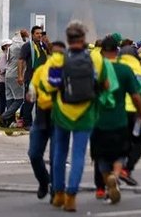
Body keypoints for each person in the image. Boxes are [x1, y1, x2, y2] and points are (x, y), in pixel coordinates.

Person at [41, 21, 109, 212]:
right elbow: (105, 84)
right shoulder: (96, 58)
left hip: (62, 112)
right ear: (83, 39)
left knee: (60, 153)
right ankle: (71, 197)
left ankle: (58, 193)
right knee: (78, 155)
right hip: (86, 112)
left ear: (68, 39)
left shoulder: (57, 59)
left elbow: (50, 86)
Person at [92, 37, 141, 205]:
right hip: (120, 121)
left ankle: (106, 181)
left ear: (101, 52)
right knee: (120, 154)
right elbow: (136, 96)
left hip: (99, 121)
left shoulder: (96, 71)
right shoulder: (124, 70)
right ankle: (114, 177)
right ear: (117, 51)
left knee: (101, 157)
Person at [26, 39, 58, 201]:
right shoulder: (41, 71)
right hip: (41, 117)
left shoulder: (67, 71)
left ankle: (55, 190)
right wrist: (32, 94)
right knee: (34, 154)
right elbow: (31, 93)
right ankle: (44, 182)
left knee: (55, 157)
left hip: (59, 118)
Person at [18, 26, 48, 130]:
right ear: (32, 34)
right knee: (29, 101)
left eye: (41, 33)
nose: (39, 35)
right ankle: (27, 123)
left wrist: (47, 41)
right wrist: (20, 76)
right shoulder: (27, 46)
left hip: (42, 79)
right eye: (37, 33)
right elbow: (21, 60)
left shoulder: (43, 46)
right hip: (30, 78)